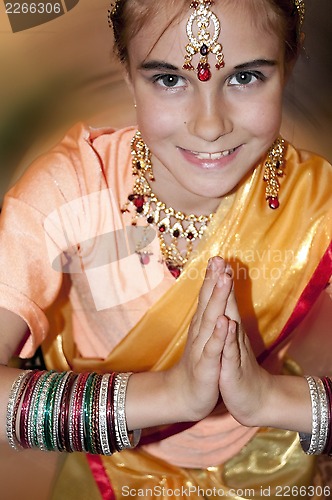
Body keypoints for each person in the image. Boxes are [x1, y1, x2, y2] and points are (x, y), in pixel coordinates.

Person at [0, 0, 331, 498]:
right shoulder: (70, 193)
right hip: (113, 473)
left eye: (244, 78)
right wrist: (168, 396)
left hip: (275, 470)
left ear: (288, 62)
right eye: (170, 80)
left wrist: (266, 400)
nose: (209, 124)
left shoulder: (317, 202)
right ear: (128, 72)